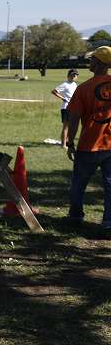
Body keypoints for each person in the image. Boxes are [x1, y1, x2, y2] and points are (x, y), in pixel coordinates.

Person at [65, 46, 111, 236]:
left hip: (89, 145)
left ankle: (75, 217)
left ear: (99, 62)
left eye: (92, 59)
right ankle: (108, 222)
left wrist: (70, 142)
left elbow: (74, 118)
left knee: (78, 183)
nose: (89, 62)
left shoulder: (83, 88)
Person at [51, 69, 79, 148]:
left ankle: (66, 142)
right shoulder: (65, 84)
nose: (74, 76)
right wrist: (63, 98)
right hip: (66, 108)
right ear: (68, 76)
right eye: (72, 75)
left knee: (71, 127)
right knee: (66, 127)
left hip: (73, 108)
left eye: (75, 75)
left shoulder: (74, 84)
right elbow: (54, 91)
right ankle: (63, 145)